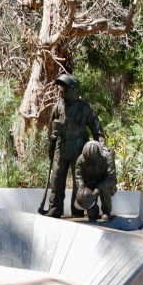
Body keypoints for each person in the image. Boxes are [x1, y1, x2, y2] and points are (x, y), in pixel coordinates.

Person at [45, 73, 103, 218]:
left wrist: (101, 148)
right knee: (57, 179)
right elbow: (51, 130)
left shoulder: (86, 108)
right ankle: (55, 209)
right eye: (60, 86)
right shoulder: (57, 107)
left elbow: (97, 130)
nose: (61, 89)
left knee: (79, 181)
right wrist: (51, 146)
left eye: (65, 87)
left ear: (75, 89)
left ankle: (78, 209)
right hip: (61, 148)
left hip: (79, 149)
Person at [74, 140, 118, 222]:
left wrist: (98, 188)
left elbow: (110, 177)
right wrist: (82, 188)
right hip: (90, 182)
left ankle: (106, 211)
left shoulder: (107, 156)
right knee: (91, 211)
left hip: (105, 181)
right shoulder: (80, 159)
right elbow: (78, 176)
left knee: (105, 189)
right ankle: (93, 210)